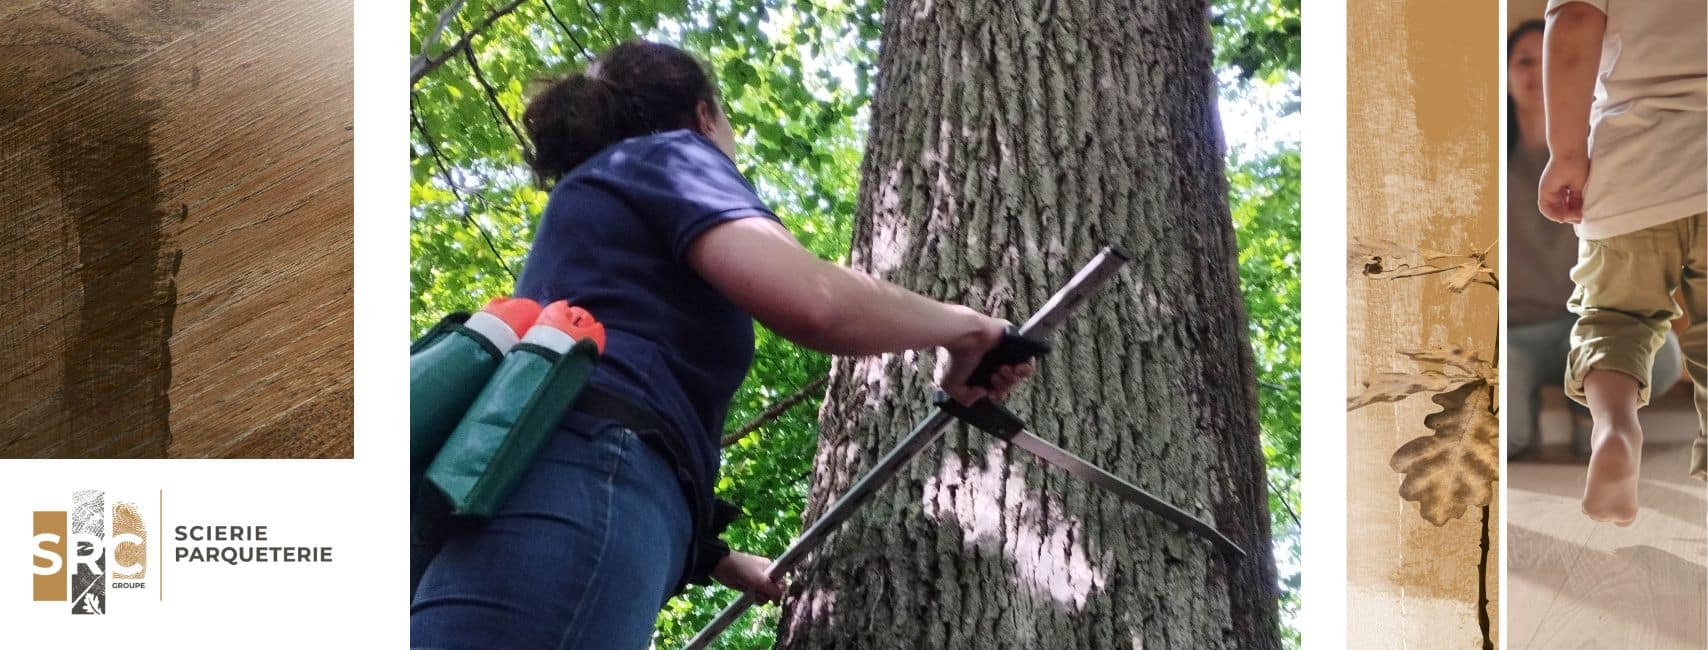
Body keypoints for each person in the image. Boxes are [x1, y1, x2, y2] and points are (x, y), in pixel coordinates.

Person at [410, 40, 1035, 649]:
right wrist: (970, 328)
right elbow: (817, 301)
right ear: (705, 115)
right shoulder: (666, 157)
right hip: (585, 483)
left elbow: (616, 381)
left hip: (531, 493)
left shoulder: (594, 206)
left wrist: (714, 556)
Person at [1537, 0, 1706, 525]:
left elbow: (1574, 29)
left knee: (1616, 320)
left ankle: (1614, 428)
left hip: (1633, 174)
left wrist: (1565, 155)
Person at [1505, 18, 1682, 460]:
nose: (1534, 72)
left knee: (1660, 356)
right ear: (1506, 76)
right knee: (1501, 443)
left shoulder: (1608, 156)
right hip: (1512, 335)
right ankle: (1521, 420)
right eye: (1523, 61)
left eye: (1545, 60)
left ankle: (1587, 408)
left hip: (1588, 325)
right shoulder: (1480, 166)